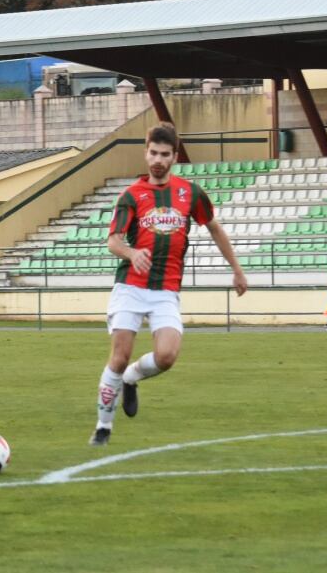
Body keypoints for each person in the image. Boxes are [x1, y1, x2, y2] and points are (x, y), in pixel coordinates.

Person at [89, 123, 247, 446]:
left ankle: (132, 379)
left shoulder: (190, 193)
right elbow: (113, 241)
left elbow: (214, 228)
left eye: (165, 154)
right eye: (153, 153)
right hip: (130, 287)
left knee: (167, 356)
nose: (158, 159)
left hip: (165, 291)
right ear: (145, 152)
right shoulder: (131, 196)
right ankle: (103, 428)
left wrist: (237, 269)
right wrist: (132, 253)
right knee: (118, 356)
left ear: (175, 156)